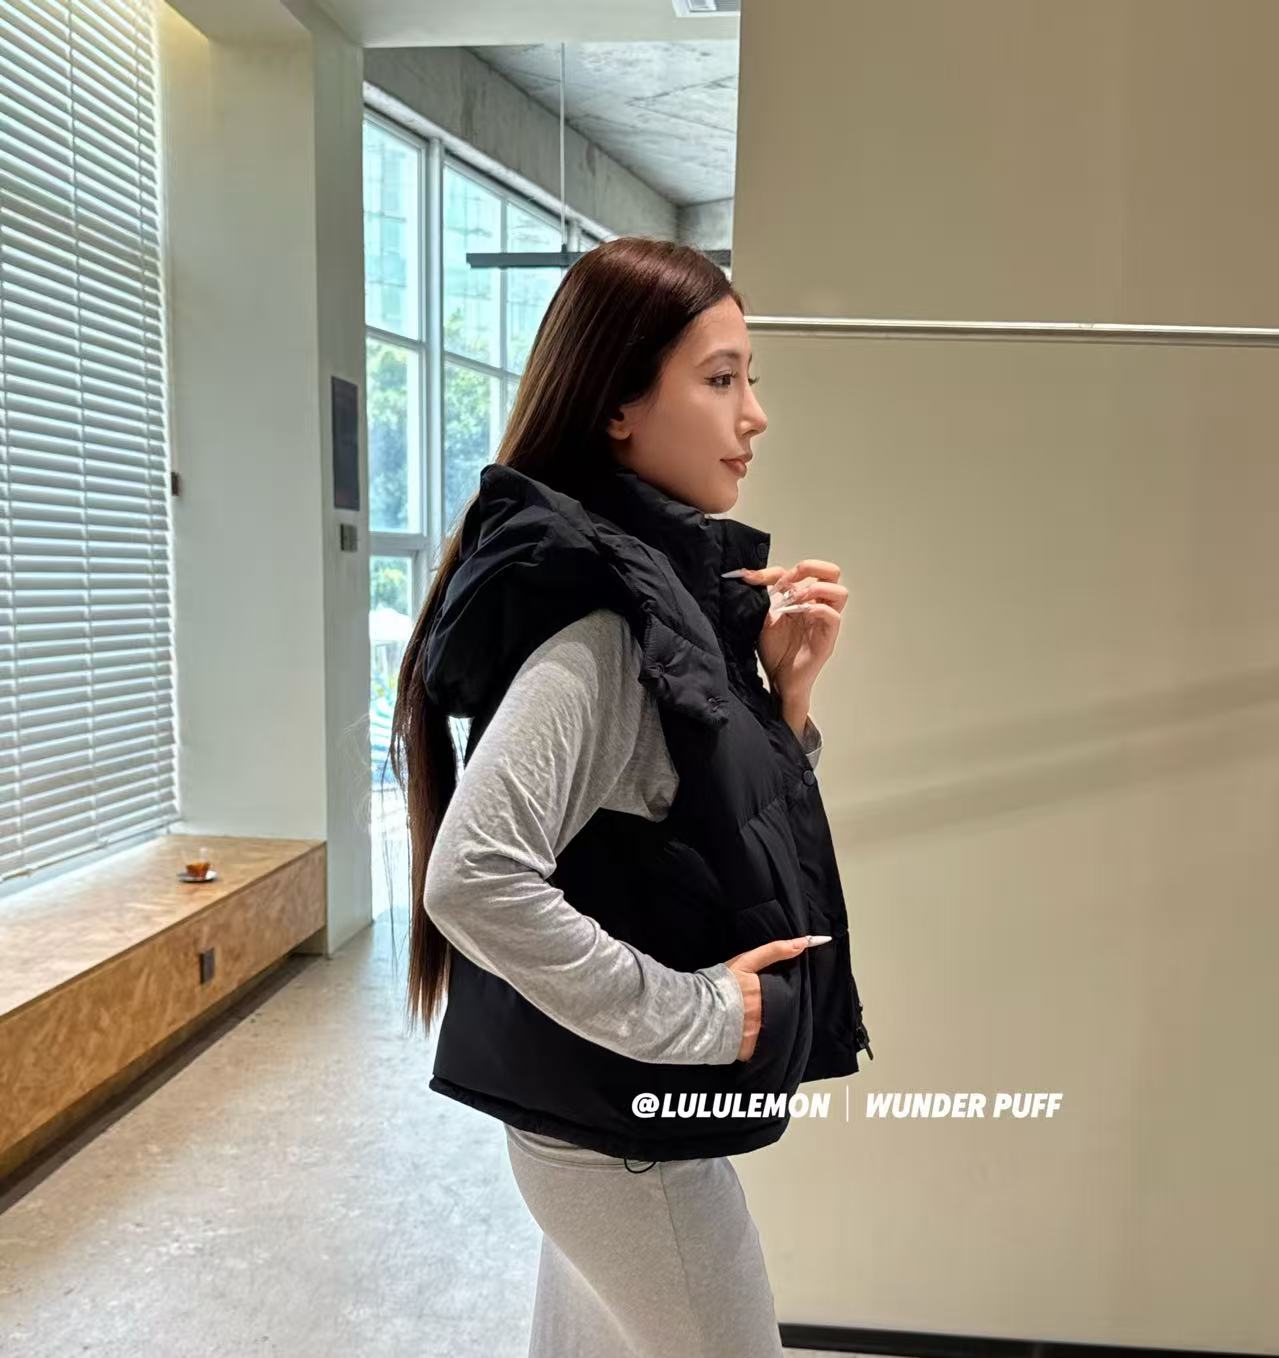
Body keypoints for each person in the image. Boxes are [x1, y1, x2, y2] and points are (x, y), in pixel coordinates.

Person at [386, 236, 872, 1358]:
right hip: (624, 1140)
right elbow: (473, 877)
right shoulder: (604, 631)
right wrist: (696, 1013)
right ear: (616, 406)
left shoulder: (657, 595)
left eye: (751, 378)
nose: (755, 415)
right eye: (720, 378)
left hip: (599, 1116)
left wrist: (787, 702)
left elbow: (697, 828)